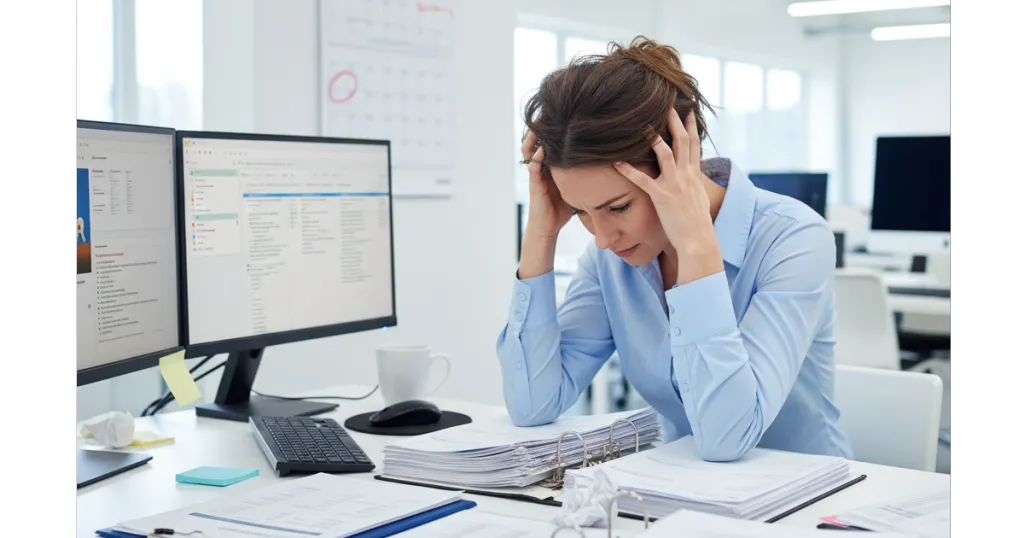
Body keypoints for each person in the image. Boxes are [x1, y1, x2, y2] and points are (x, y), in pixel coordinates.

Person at [496, 36, 853, 462]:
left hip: (806, 501)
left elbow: (727, 439)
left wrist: (696, 245)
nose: (602, 238)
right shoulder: (611, 260)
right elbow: (533, 404)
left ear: (678, 164)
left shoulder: (792, 239)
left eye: (618, 206)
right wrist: (540, 235)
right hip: (679, 497)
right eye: (581, 211)